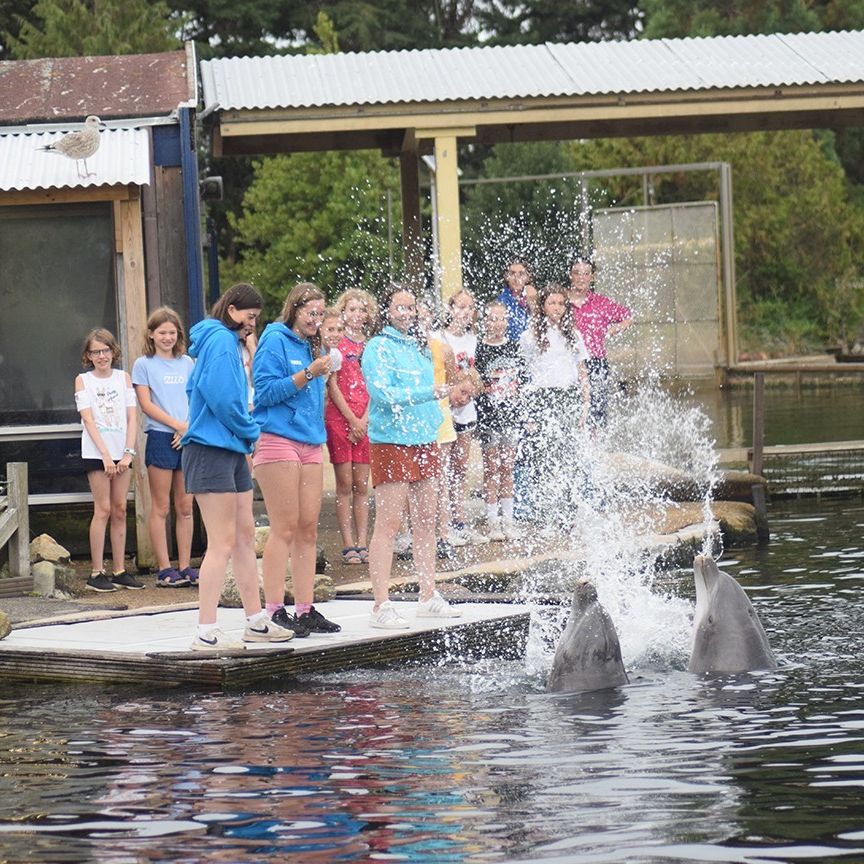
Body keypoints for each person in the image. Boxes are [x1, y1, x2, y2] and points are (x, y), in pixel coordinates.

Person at [182, 283, 294, 651]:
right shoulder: (217, 341)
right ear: (231, 309)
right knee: (222, 542)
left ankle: (255, 621)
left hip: (230, 448)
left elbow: (201, 392)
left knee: (245, 536)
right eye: (249, 315)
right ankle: (206, 631)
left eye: (256, 318)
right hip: (210, 449)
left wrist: (242, 435)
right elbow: (223, 399)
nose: (252, 322)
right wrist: (250, 431)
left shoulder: (228, 343)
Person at [361, 283, 461, 629]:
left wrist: (442, 404)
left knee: (426, 522)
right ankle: (380, 604)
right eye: (400, 307)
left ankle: (427, 595)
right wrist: (429, 394)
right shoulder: (377, 346)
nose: (407, 313)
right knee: (388, 525)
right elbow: (382, 393)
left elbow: (430, 394)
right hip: (391, 441)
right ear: (386, 311)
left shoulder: (420, 346)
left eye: (411, 307)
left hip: (423, 440)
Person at [253, 282, 341, 638]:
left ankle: (305, 609)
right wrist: (309, 374)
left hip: (309, 441)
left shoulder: (314, 345)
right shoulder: (274, 340)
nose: (315, 319)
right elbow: (265, 392)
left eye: (320, 314)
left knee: (308, 527)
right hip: (277, 438)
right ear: (295, 309)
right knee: (284, 527)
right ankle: (274, 609)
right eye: (310, 313)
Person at [132, 307, 198, 588]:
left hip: (188, 437)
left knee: (185, 506)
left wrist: (186, 428)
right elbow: (146, 405)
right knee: (160, 506)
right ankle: (164, 567)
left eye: (172, 332)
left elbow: (197, 398)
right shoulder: (143, 364)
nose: (167, 337)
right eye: (162, 332)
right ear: (151, 334)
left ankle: (185, 565)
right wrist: (176, 426)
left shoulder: (188, 363)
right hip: (161, 437)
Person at [75, 328, 143, 592]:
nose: (101, 356)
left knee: (120, 509)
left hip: (122, 452)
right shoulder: (83, 380)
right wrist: (105, 454)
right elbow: (88, 418)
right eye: (95, 351)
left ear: (113, 351)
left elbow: (132, 417)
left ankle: (119, 569)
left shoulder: (123, 378)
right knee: (101, 509)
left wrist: (128, 453)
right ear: (88, 355)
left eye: (105, 350)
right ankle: (96, 571)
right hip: (96, 452)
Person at [519, 283, 591, 523]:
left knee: (568, 453)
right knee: (543, 453)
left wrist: (585, 403)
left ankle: (569, 509)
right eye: (552, 303)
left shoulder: (573, 334)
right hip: (543, 397)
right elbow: (525, 372)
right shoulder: (530, 336)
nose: (557, 308)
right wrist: (528, 410)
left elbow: (582, 370)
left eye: (561, 303)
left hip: (568, 395)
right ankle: (542, 510)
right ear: (542, 306)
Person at [324, 290, 375, 565]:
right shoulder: (336, 345)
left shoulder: (371, 346)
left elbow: (374, 385)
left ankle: (363, 541)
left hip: (365, 420)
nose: (357, 315)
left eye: (361, 310)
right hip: (340, 419)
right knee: (344, 484)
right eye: (352, 309)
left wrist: (364, 419)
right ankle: (347, 543)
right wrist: (352, 420)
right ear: (343, 312)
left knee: (362, 485)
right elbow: (331, 384)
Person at [441, 288, 488, 546]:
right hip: (446, 409)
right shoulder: (439, 337)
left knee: (460, 468)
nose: (464, 312)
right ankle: (444, 523)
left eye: (469, 308)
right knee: (443, 467)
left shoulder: (474, 340)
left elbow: (476, 376)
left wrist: (469, 391)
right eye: (460, 307)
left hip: (467, 408)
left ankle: (460, 520)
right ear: (450, 309)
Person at [475, 300, 524, 541]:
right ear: (485, 321)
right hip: (489, 418)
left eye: (501, 318)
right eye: (492, 318)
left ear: (507, 321)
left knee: (508, 468)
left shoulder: (515, 348)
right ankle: (493, 521)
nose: (497, 323)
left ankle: (509, 520)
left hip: (511, 417)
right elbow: (474, 383)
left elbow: (523, 383)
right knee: (491, 468)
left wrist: (526, 416)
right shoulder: (479, 349)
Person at [568, 255, 633, 429]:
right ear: (570, 275)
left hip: (596, 362)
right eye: (577, 273)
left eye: (586, 273)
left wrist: (612, 329)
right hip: (570, 362)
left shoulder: (600, 303)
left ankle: (595, 448)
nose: (581, 278)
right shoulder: (563, 301)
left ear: (592, 276)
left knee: (597, 409)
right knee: (573, 407)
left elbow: (627, 316)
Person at [497, 256, 537, 342]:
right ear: (506, 277)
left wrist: (533, 301)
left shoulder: (535, 296)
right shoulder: (500, 302)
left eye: (521, 274)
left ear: (528, 277)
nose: (516, 278)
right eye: (512, 273)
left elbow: (540, 324)